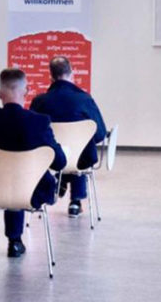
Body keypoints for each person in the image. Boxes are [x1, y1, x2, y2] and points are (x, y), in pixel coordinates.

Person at [0, 68, 66, 257]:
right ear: (27, 91)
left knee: (4, 171)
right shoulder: (39, 122)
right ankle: (14, 241)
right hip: (30, 193)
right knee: (21, 174)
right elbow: (59, 163)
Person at [30, 56, 107, 218]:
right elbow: (100, 134)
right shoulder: (85, 99)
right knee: (80, 148)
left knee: (61, 148)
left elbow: (33, 134)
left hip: (50, 157)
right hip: (81, 159)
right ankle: (76, 200)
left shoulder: (39, 101)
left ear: (50, 76)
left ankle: (61, 179)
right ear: (72, 73)